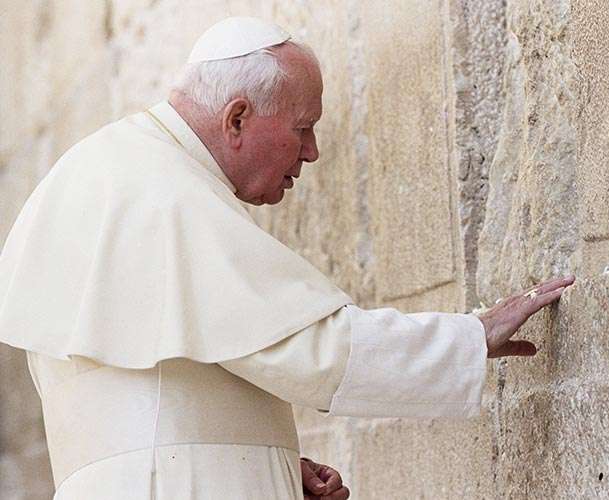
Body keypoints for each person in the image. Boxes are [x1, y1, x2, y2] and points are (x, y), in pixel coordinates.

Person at [0, 17, 575, 499]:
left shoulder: (108, 169)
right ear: (237, 118)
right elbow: (308, 349)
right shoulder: (165, 191)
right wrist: (469, 337)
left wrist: (255, 458)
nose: (313, 151)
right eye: (303, 128)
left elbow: (135, 401)